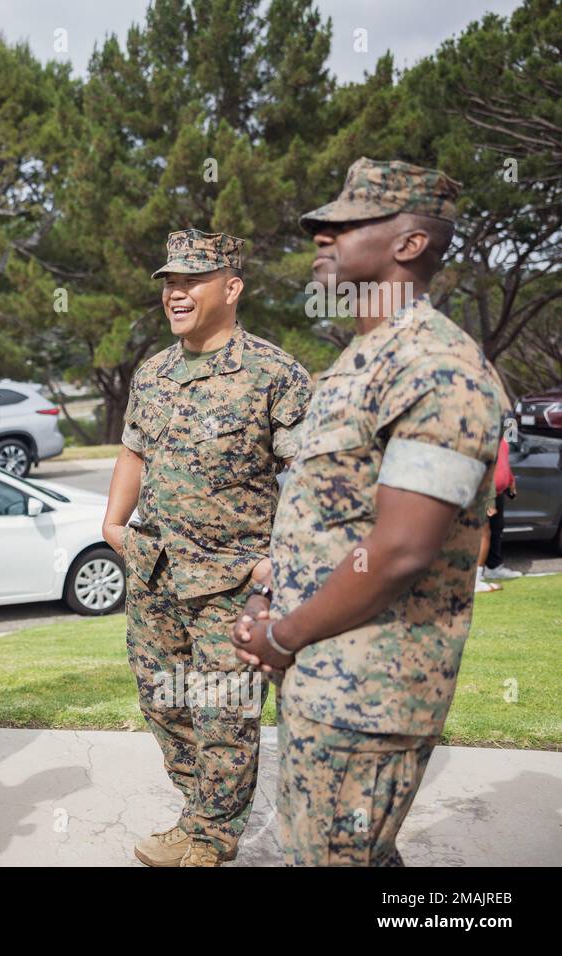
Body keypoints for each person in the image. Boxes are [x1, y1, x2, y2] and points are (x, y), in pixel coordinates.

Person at [233, 158, 509, 866]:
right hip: (319, 682)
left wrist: (285, 636)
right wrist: (268, 599)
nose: (321, 235)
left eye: (346, 224)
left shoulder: (436, 366)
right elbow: (323, 519)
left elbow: (400, 550)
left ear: (409, 243)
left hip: (370, 698)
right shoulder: (358, 360)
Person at [102, 229, 310, 867]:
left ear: (232, 287)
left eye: (191, 280)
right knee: (163, 701)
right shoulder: (155, 371)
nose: (176, 293)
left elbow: (307, 482)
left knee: (226, 714)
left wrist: (279, 569)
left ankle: (212, 838)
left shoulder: (275, 374)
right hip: (156, 574)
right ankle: (197, 815)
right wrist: (112, 525)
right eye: (169, 282)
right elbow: (134, 449)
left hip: (232, 582)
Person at [480, 434, 519, 587]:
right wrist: (489, 500)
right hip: (486, 494)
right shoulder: (487, 436)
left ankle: (493, 567)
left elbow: (504, 462)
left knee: (497, 529)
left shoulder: (503, 438)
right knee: (484, 534)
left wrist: (510, 481)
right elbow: (487, 469)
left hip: (499, 492)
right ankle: (476, 575)